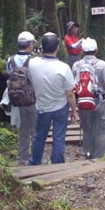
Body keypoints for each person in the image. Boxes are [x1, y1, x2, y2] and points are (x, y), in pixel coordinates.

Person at [28, 33, 78, 165]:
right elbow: (70, 94)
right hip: (60, 107)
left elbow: (30, 80)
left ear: (41, 47)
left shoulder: (32, 63)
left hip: (41, 106)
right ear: (57, 48)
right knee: (59, 137)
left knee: (39, 136)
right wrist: (74, 110)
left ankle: (34, 162)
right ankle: (57, 162)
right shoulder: (64, 68)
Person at [72, 38, 105, 159]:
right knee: (101, 128)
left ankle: (88, 153)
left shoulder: (76, 65)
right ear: (96, 50)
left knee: (87, 128)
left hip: (83, 101)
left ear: (83, 50)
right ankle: (99, 155)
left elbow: (74, 84)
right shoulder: (101, 64)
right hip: (99, 100)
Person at [5, 31, 37, 166]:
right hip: (33, 99)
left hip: (17, 100)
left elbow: (8, 74)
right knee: (36, 130)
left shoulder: (10, 60)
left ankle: (22, 159)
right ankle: (35, 158)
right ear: (30, 44)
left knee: (23, 130)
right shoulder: (34, 60)